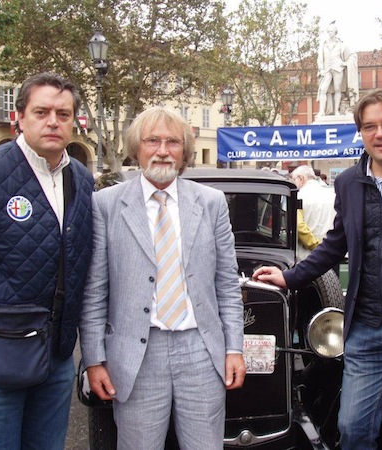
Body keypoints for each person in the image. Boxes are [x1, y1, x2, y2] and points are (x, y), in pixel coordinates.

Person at [253, 89, 382, 449]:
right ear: (361, 133)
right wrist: (289, 276)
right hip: (366, 326)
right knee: (352, 428)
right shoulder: (348, 181)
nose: (380, 133)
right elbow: (337, 242)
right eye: (370, 126)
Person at [79, 106, 246, 449]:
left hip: (201, 351)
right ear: (136, 147)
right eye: (152, 140)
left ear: (184, 150)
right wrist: (93, 359)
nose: (162, 149)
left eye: (172, 141)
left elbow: (227, 284)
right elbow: (95, 290)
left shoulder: (211, 203)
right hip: (136, 357)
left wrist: (234, 348)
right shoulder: (105, 205)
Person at [0, 72, 94, 449]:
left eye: (63, 114)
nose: (53, 121)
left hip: (56, 355)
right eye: (42, 111)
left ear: (74, 121)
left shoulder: (82, 180)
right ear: (19, 116)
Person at [291, 165, 336, 261]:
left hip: (307, 257)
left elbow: (298, 225)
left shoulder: (299, 196)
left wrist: (316, 245)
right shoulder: (332, 195)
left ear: (301, 178)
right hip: (332, 253)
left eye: (294, 179)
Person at [316, 21, 359, 117]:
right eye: (328, 31)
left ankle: (336, 111)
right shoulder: (324, 44)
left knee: (337, 89)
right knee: (323, 89)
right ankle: (322, 111)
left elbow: (352, 55)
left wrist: (345, 63)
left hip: (338, 68)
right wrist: (321, 68)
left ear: (335, 32)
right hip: (326, 69)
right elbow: (319, 58)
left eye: (331, 31)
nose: (329, 33)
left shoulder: (341, 44)